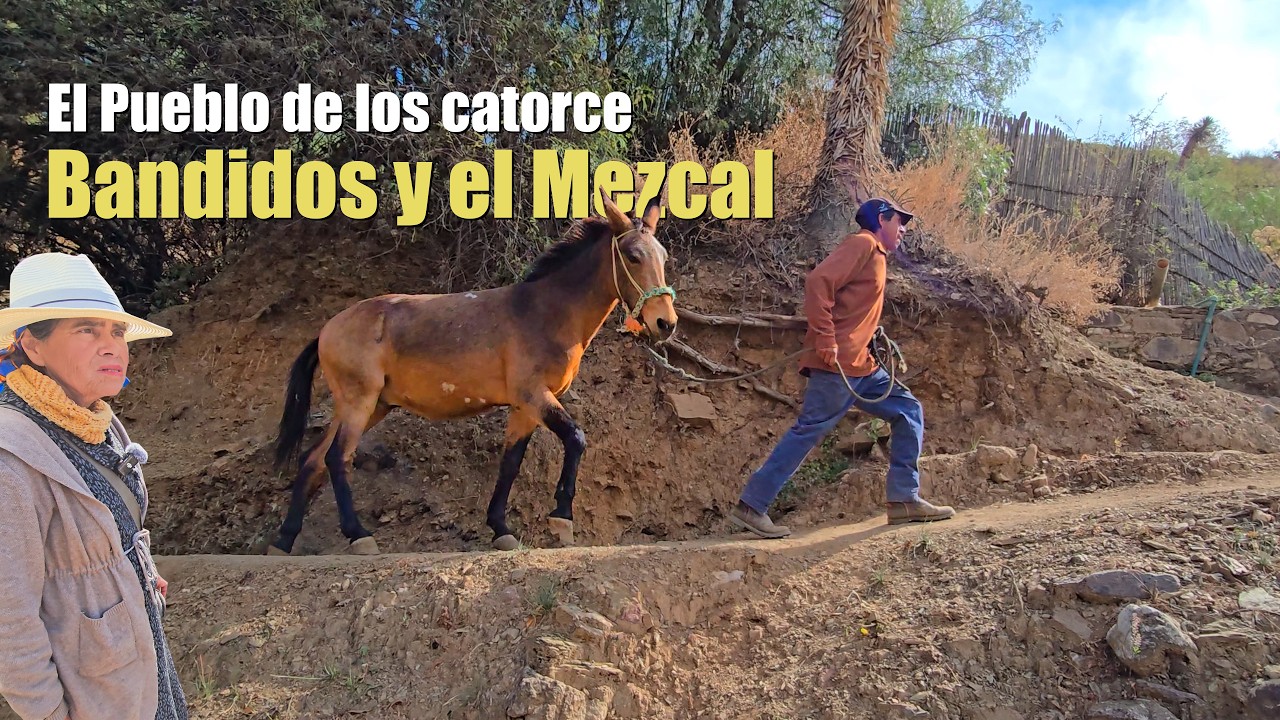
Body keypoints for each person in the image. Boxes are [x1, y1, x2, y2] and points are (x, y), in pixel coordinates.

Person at [0, 253, 187, 720]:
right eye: (87, 330)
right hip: (93, 701)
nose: (113, 348)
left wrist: (131, 571)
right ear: (34, 346)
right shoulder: (10, 457)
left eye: (117, 332)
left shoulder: (98, 422)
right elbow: (8, 621)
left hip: (139, 678)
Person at [730, 198, 955, 538]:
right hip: (837, 365)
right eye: (900, 221)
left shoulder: (876, 254)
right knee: (809, 430)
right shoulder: (862, 243)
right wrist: (825, 339)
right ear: (882, 220)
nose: (905, 228)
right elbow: (818, 282)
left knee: (908, 410)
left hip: (862, 367)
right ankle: (752, 506)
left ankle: (903, 499)